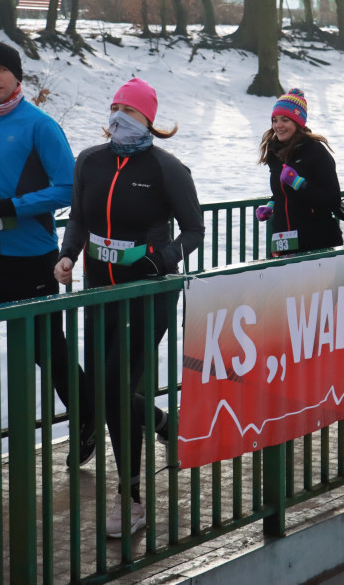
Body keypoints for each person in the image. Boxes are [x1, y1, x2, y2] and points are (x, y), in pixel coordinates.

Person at [0, 41, 93, 493]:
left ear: (17, 77)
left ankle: (86, 421)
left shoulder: (40, 126)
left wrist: (12, 207)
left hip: (32, 260)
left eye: (2, 70)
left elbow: (68, 189)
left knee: (49, 352)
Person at [54, 78, 204, 538]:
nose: (119, 116)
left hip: (147, 294)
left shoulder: (166, 168)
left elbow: (194, 230)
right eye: (115, 107)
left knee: (116, 387)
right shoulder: (90, 162)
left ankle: (132, 498)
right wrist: (68, 255)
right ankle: (161, 421)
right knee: (104, 390)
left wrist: (161, 261)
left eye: (130, 111)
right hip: (100, 290)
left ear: (149, 121)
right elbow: (79, 217)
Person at [255, 88, 344, 256]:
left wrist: (300, 184)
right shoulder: (275, 153)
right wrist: (272, 205)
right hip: (283, 242)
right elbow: (283, 192)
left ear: (298, 123)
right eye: (275, 120)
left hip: (317, 243)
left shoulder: (315, 151)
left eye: (285, 120)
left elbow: (332, 200)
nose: (278, 125)